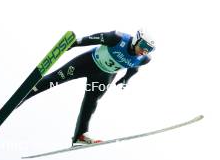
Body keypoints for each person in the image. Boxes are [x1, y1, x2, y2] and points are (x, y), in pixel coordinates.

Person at [18, 29, 155, 146]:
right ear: (136, 39)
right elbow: (93, 39)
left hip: (103, 76)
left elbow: (134, 68)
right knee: (55, 79)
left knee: (91, 102)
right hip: (87, 63)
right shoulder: (117, 37)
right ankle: (23, 96)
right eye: (143, 46)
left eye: (148, 50)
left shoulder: (144, 59)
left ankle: (80, 136)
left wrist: (126, 78)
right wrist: (74, 43)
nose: (144, 51)